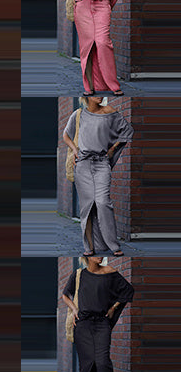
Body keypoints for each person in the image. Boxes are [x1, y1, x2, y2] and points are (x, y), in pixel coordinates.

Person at [61, 255, 134, 372]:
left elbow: (128, 290)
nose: (100, 256)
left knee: (103, 362)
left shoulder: (110, 272)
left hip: (102, 323)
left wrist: (113, 307)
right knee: (87, 365)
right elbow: (65, 295)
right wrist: (74, 310)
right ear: (87, 256)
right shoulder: (79, 274)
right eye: (96, 253)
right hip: (83, 324)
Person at [62, 96, 133, 257]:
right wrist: (74, 149)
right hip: (83, 164)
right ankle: (90, 248)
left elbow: (127, 131)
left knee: (103, 202)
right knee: (87, 207)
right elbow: (66, 135)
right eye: (95, 93)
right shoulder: (78, 114)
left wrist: (113, 149)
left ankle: (113, 245)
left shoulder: (110, 112)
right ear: (86, 96)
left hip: (102, 163)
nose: (100, 95)